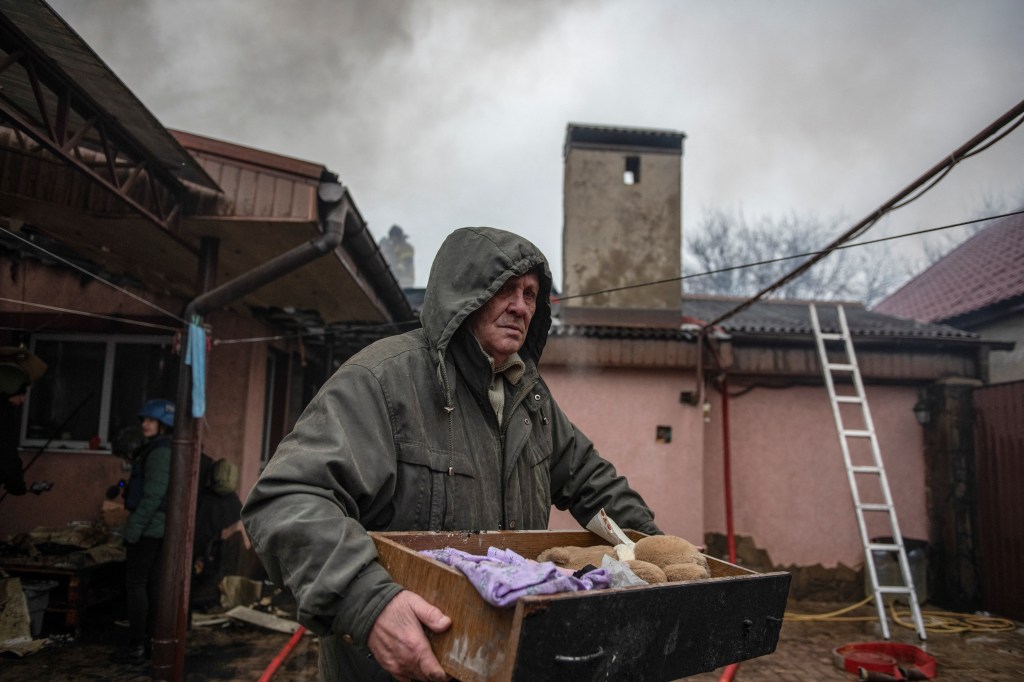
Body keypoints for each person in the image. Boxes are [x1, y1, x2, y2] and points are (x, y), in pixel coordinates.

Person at [242, 227, 661, 681]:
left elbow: (593, 483)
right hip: (398, 665)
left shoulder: (530, 399)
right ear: (465, 293)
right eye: (504, 289)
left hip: (499, 659)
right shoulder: (382, 380)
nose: (520, 306)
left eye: (530, 294)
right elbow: (287, 501)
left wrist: (657, 552)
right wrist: (369, 602)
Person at [112, 398, 174, 664]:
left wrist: (132, 529)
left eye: (151, 420)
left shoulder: (160, 452)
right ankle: (148, 642)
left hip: (150, 529)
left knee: (137, 585)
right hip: (155, 528)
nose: (145, 425)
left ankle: (138, 644)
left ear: (164, 425)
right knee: (150, 586)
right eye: (144, 420)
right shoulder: (155, 449)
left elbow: (153, 496)